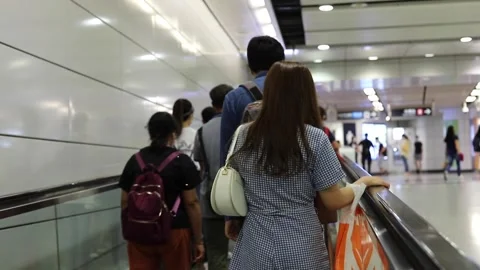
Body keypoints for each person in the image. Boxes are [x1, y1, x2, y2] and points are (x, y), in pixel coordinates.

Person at [225, 61, 389, 269]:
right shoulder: (314, 138)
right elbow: (333, 199)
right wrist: (363, 182)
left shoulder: (243, 135)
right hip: (301, 245)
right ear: (306, 95)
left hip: (255, 243)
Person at [119, 112, 204, 270]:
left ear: (150, 133)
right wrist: (198, 240)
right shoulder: (181, 161)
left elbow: (124, 201)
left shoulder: (134, 161)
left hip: (140, 233)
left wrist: (133, 225)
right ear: (173, 134)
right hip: (175, 231)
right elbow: (192, 203)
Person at [220, 35, 285, 165]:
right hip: (294, 177)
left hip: (248, 179)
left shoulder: (234, 98)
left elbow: (227, 149)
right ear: (282, 63)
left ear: (249, 66)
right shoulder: (297, 91)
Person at [193, 84, 233, 269]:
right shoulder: (240, 127)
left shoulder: (201, 131)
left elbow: (202, 168)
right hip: (238, 200)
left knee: (217, 255)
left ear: (213, 103)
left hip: (210, 200)